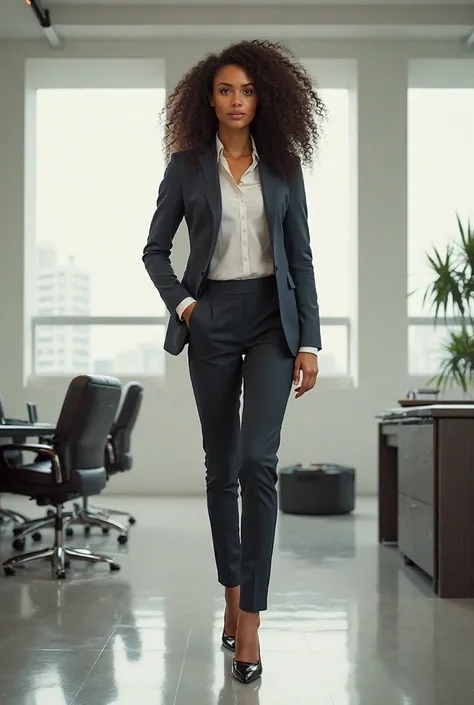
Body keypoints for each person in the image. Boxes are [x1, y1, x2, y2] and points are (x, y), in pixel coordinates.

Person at [143, 39, 324, 684]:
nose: (236, 101)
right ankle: (229, 589)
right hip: (213, 318)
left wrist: (310, 341)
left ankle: (250, 618)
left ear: (263, 97)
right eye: (225, 90)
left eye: (246, 90)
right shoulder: (187, 167)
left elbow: (299, 257)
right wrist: (188, 308)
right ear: (208, 98)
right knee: (221, 467)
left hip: (275, 321)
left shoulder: (283, 166)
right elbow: (155, 250)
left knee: (257, 462)